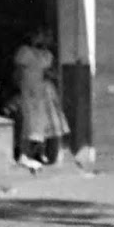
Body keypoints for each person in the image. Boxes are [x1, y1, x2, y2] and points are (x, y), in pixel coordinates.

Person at [13, 31, 70, 169]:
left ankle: (36, 153)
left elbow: (51, 72)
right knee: (29, 123)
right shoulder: (24, 52)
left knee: (41, 125)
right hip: (28, 91)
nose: (43, 39)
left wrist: (49, 77)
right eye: (40, 35)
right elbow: (18, 72)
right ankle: (24, 155)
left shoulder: (46, 55)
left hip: (41, 93)